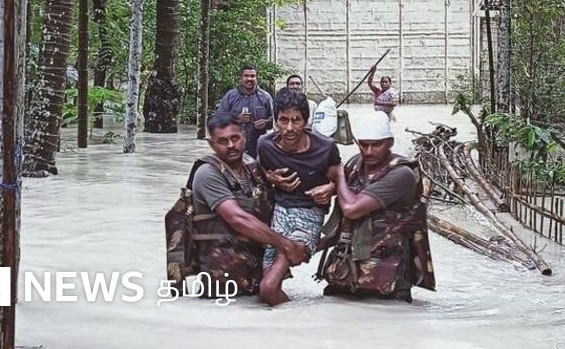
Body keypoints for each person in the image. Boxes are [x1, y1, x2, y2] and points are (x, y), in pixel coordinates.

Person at [182, 113, 310, 298]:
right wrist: (287, 246)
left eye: (235, 138)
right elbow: (238, 219)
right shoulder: (207, 174)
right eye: (223, 141)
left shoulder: (252, 167)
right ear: (211, 144)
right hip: (222, 281)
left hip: (255, 274)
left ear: (244, 137)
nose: (231, 145)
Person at [316, 111, 436, 302]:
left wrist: (338, 176)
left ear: (390, 142)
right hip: (346, 276)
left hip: (386, 282)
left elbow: (351, 209)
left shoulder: (402, 174)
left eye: (376, 144)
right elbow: (344, 225)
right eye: (363, 144)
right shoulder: (355, 165)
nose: (369, 151)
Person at [255, 88, 339, 305]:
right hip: (279, 213)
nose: (290, 128)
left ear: (306, 121)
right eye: (283, 120)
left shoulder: (325, 147)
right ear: (275, 121)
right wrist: (270, 178)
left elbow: (343, 179)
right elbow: (258, 173)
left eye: (296, 120)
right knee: (265, 283)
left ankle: (303, 328)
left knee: (268, 287)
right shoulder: (265, 145)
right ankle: (291, 317)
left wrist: (330, 189)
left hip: (309, 215)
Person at [217, 65, 274, 157]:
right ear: (240, 78)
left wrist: (266, 122)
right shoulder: (230, 96)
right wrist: (236, 119)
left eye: (252, 76)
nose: (249, 79)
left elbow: (276, 119)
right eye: (246, 76)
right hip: (233, 147)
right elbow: (218, 119)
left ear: (257, 78)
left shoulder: (265, 97)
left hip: (258, 149)